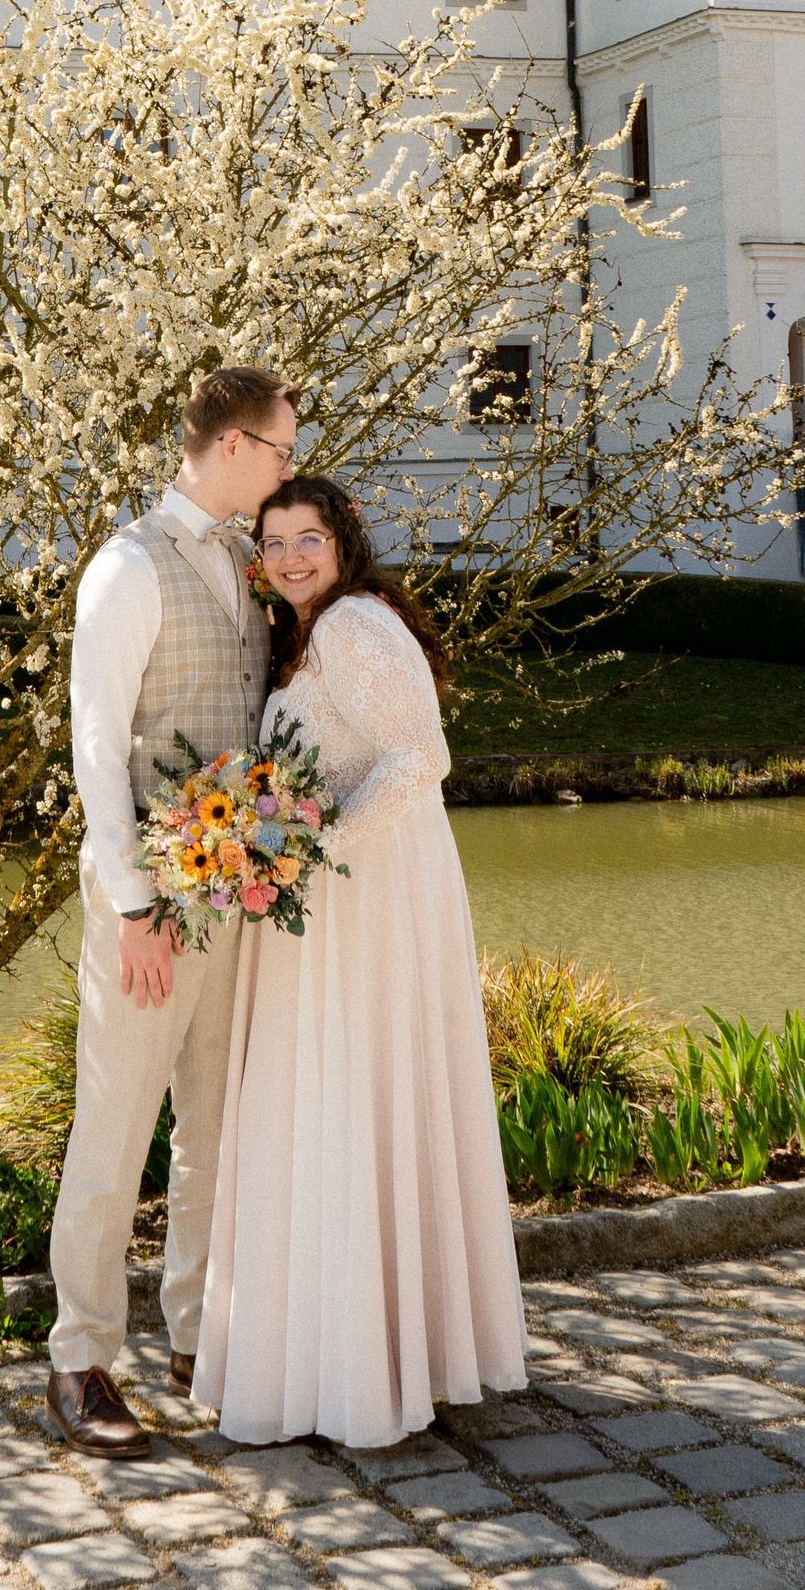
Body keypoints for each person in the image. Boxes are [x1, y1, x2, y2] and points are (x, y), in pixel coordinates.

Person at [194, 473, 527, 1448]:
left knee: (343, 1106)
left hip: (362, 907)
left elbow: (420, 760)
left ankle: (360, 1369)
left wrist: (306, 848)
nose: (292, 556)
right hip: (324, 910)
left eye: (309, 537)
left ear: (343, 543)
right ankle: (338, 1356)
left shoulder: (351, 627)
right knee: (325, 1111)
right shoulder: (310, 636)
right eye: (276, 541)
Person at [44, 364, 298, 1458]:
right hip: (151, 905)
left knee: (214, 1131)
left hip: (237, 897)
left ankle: (196, 1338)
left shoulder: (250, 564)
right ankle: (79, 1360)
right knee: (115, 1126)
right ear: (235, 447)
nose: (293, 466)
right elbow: (96, 754)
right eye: (283, 448)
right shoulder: (126, 569)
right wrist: (139, 907)